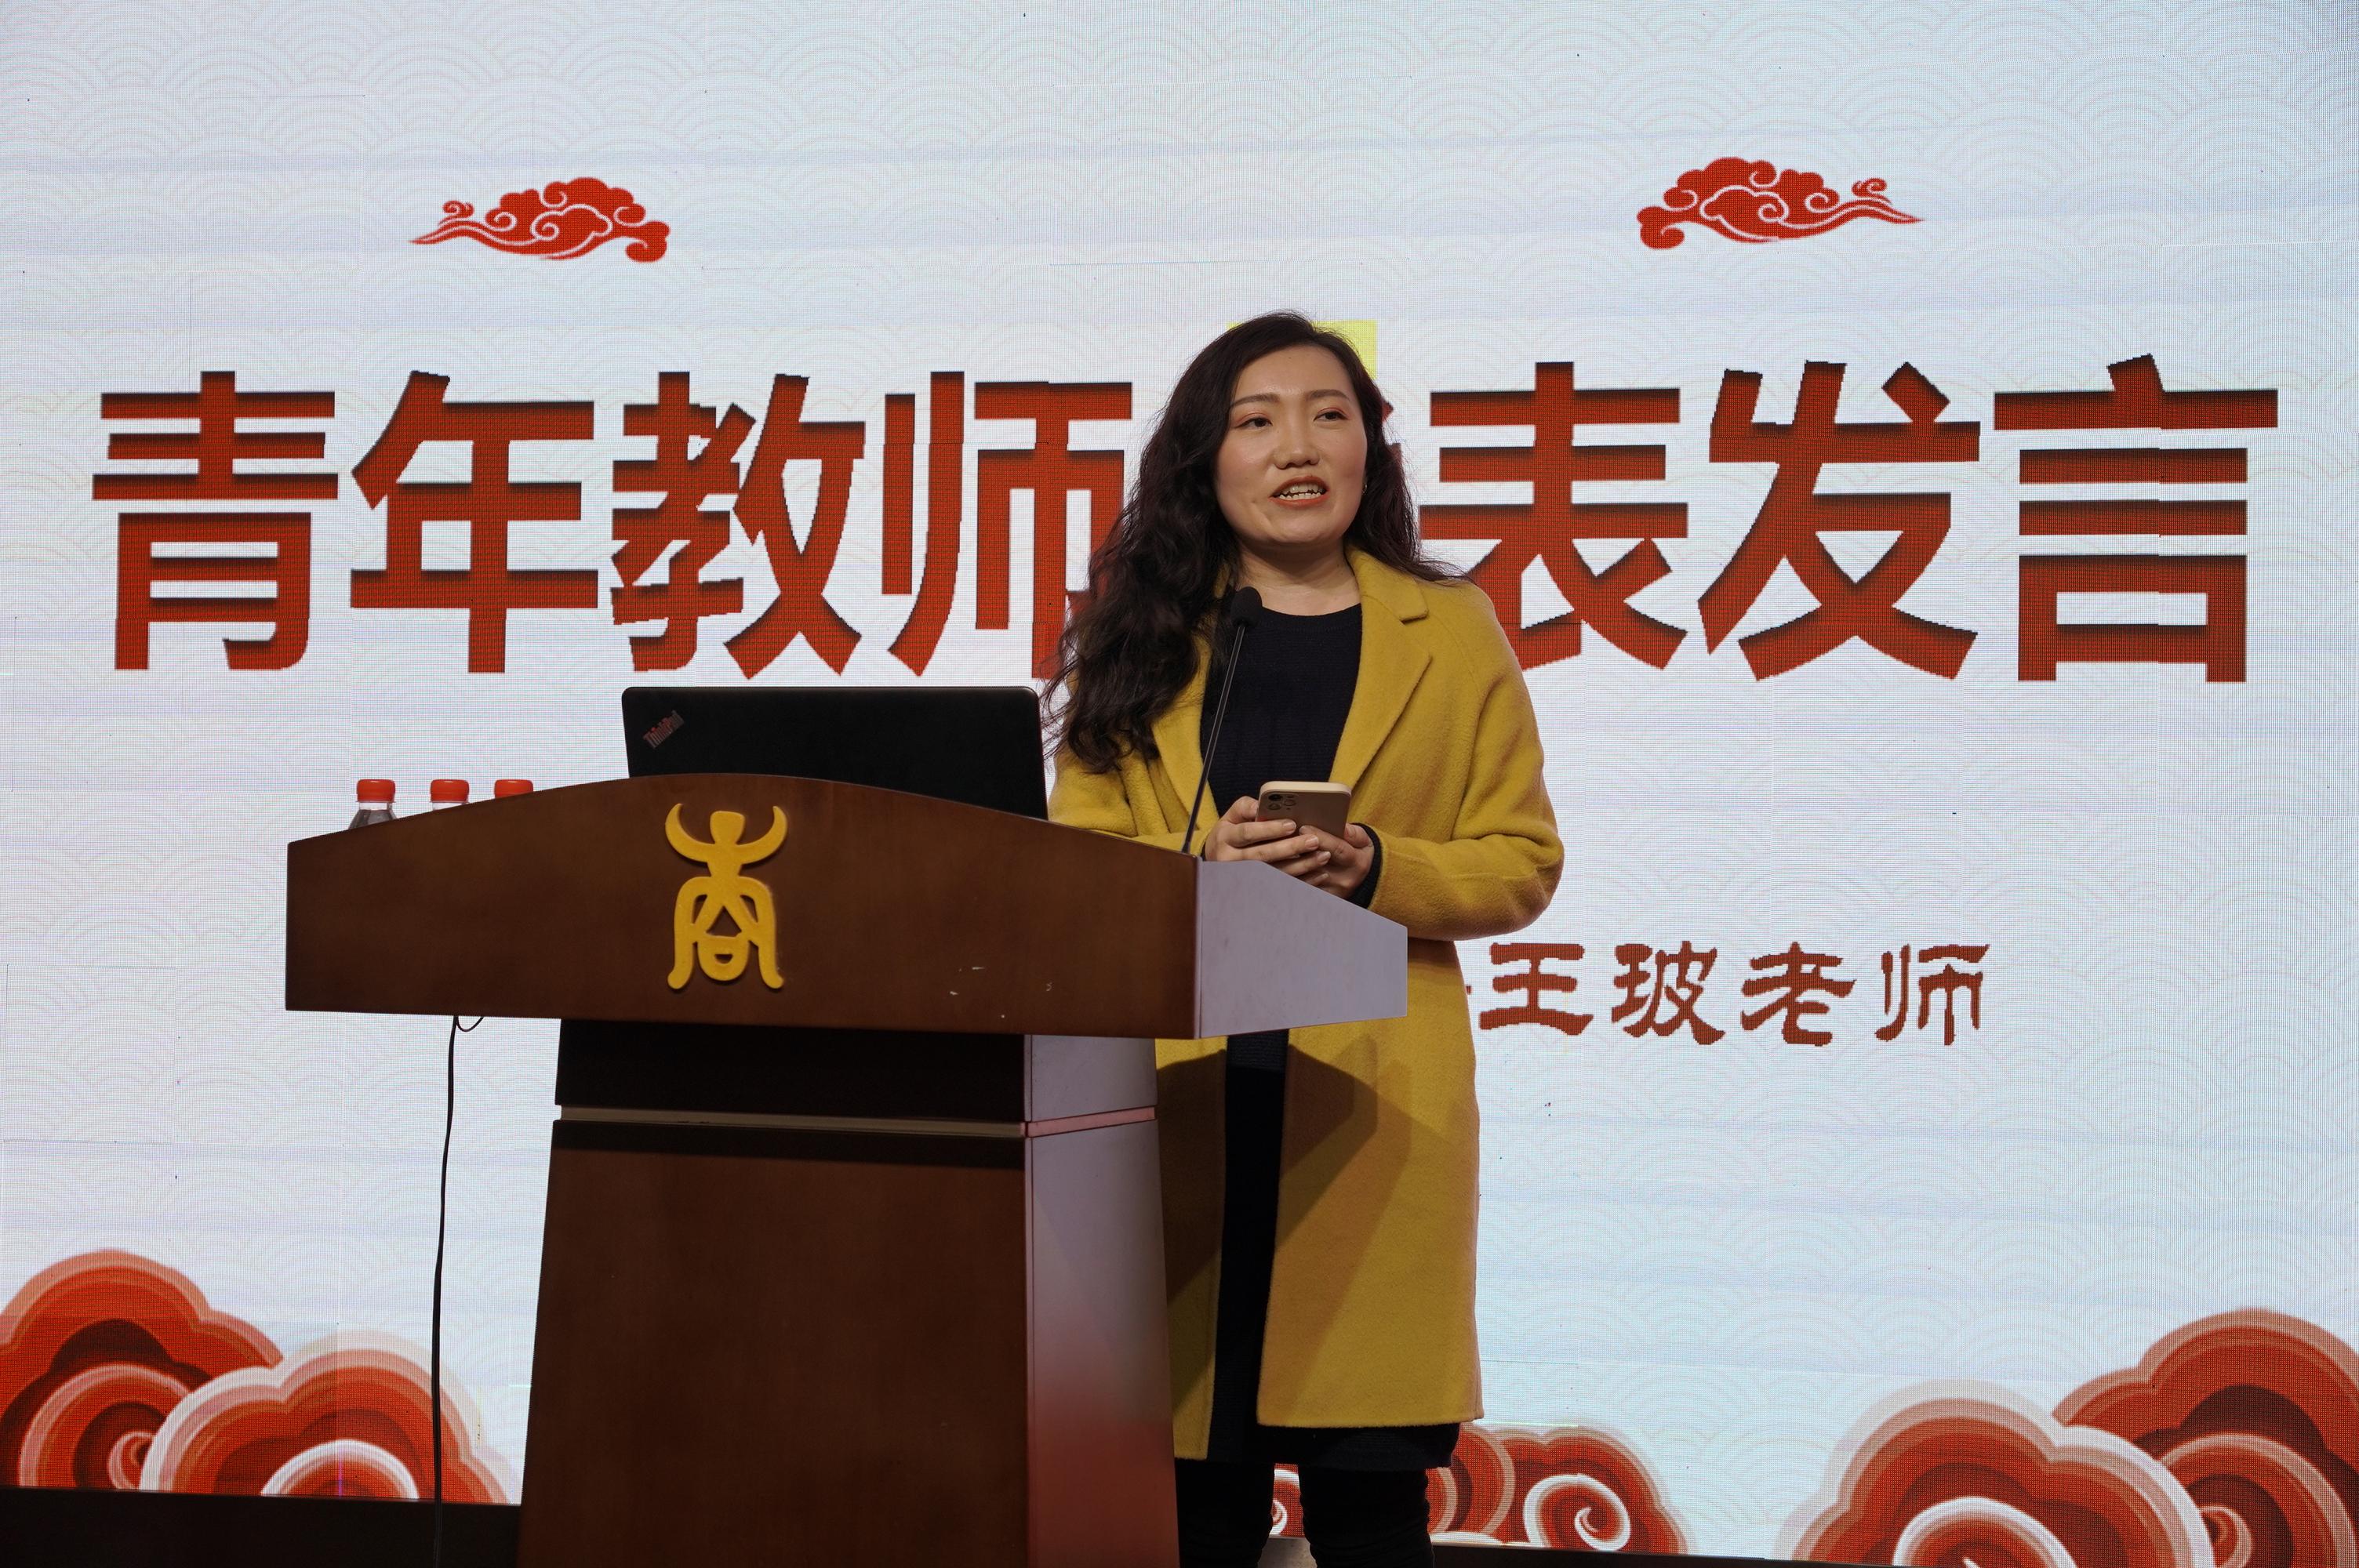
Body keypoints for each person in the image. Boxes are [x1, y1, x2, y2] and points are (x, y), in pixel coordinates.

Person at [1047, 312, 1562, 1567]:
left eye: (1330, 415)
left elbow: (1523, 860)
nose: (1298, 446)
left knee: (1370, 1504)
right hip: (1182, 1100)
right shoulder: (1144, 637)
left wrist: (1375, 863)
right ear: (1204, 460)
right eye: (1257, 419)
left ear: (1368, 452)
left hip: (1369, 1107)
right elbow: (1071, 873)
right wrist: (1196, 874)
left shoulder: (1451, 632)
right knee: (1189, 1504)